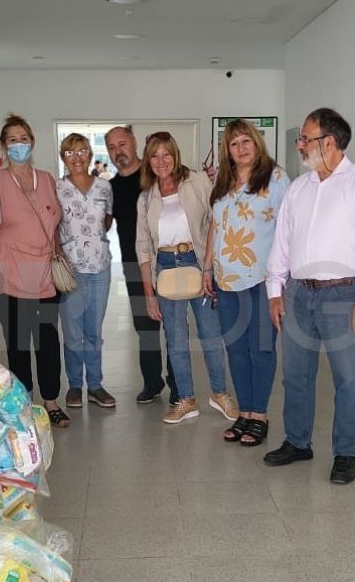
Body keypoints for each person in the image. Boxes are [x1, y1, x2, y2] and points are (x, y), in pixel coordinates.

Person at [264, 108, 355, 484]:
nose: (300, 144)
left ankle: (345, 454)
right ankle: (298, 442)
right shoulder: (299, 188)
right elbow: (282, 243)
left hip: (343, 295)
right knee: (296, 375)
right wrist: (276, 290)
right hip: (300, 294)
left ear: (329, 142)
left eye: (305, 138)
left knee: (347, 378)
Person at [136, 132, 239, 425]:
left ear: (175, 154)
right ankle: (186, 400)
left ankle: (220, 394)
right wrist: (149, 292)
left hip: (197, 262)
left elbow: (215, 220)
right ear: (148, 160)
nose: (161, 161)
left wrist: (211, 266)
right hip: (165, 269)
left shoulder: (196, 181)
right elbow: (142, 246)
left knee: (210, 335)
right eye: (154, 155)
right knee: (176, 340)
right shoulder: (146, 198)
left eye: (166, 154)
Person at [203, 119, 291, 447]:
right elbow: (215, 226)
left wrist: (283, 279)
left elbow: (289, 229)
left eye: (246, 141)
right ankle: (244, 413)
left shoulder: (277, 178)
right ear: (227, 150)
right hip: (227, 281)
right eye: (233, 143)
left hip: (262, 279)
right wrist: (207, 268)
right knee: (236, 350)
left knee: (262, 348)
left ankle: (260, 415)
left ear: (256, 143)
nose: (240, 148)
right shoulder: (223, 182)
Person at [0, 114, 70, 427]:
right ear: (4, 147)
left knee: (47, 338)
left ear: (32, 141)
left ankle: (51, 400)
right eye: (12, 140)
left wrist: (59, 254)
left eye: (23, 138)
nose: (18, 144)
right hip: (11, 271)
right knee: (18, 341)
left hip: (46, 272)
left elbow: (54, 222)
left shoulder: (46, 179)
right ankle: (23, 403)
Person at [106, 126, 178, 404]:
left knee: (173, 326)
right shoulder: (110, 188)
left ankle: (178, 382)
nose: (118, 151)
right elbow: (104, 222)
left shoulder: (155, 178)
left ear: (134, 143)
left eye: (122, 143)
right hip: (133, 266)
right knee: (145, 328)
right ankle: (152, 383)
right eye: (112, 147)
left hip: (168, 263)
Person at [55, 133, 116, 409]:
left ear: (90, 154)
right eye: (70, 152)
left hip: (100, 267)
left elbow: (108, 220)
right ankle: (75, 386)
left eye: (82, 151)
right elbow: (51, 227)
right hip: (71, 270)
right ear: (63, 157)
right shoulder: (56, 189)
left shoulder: (104, 187)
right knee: (72, 332)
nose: (77, 157)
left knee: (94, 330)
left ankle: (95, 385)